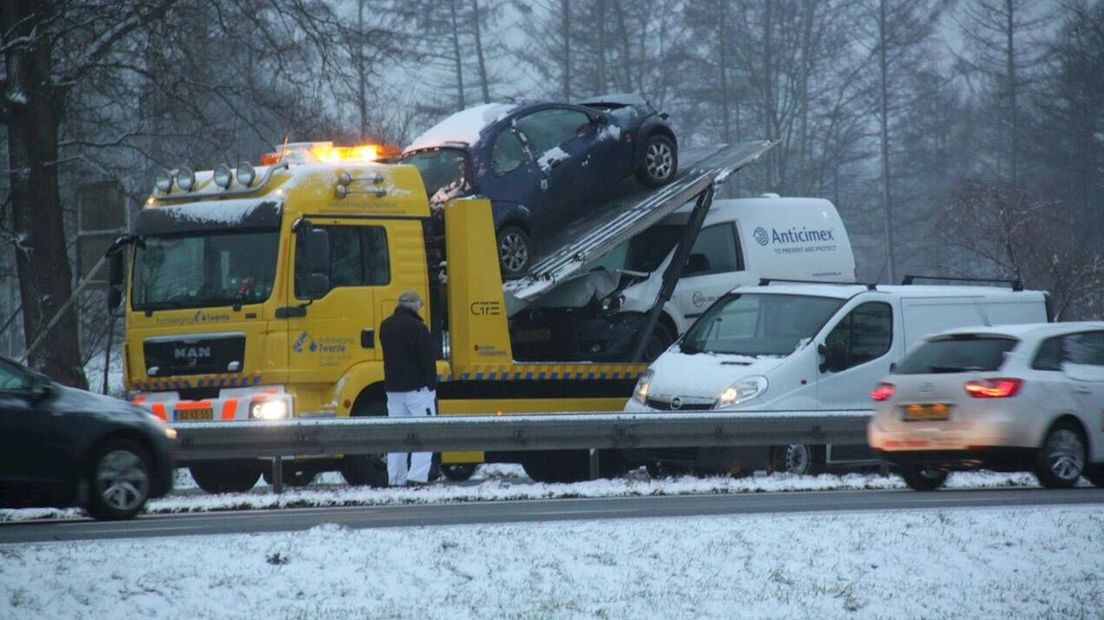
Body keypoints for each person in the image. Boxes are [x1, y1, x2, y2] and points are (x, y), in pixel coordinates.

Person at [379, 290, 437, 487]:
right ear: (413, 305)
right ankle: (418, 477)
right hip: (417, 390)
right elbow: (427, 360)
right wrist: (432, 386)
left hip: (393, 390)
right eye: (420, 304)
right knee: (425, 433)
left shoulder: (385, 326)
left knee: (397, 436)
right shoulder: (418, 328)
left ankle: (395, 478)